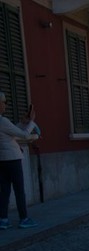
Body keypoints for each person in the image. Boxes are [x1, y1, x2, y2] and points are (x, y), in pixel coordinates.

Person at [0, 91, 39, 229]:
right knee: (19, 189)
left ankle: (3, 219)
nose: (5, 105)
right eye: (4, 103)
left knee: (4, 190)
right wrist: (32, 122)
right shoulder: (3, 120)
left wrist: (23, 122)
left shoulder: (3, 122)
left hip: (2, 160)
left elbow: (11, 132)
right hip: (13, 159)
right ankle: (24, 218)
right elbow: (23, 135)